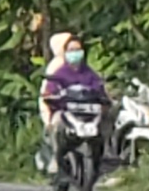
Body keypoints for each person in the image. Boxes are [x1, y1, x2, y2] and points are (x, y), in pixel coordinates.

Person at [42, 36, 113, 166]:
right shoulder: (59, 73)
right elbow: (50, 90)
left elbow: (99, 88)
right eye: (71, 50)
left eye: (78, 49)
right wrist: (52, 97)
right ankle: (55, 158)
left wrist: (104, 98)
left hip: (88, 113)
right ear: (65, 53)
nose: (75, 53)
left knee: (107, 121)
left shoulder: (89, 73)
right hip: (66, 112)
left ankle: (105, 153)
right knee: (56, 124)